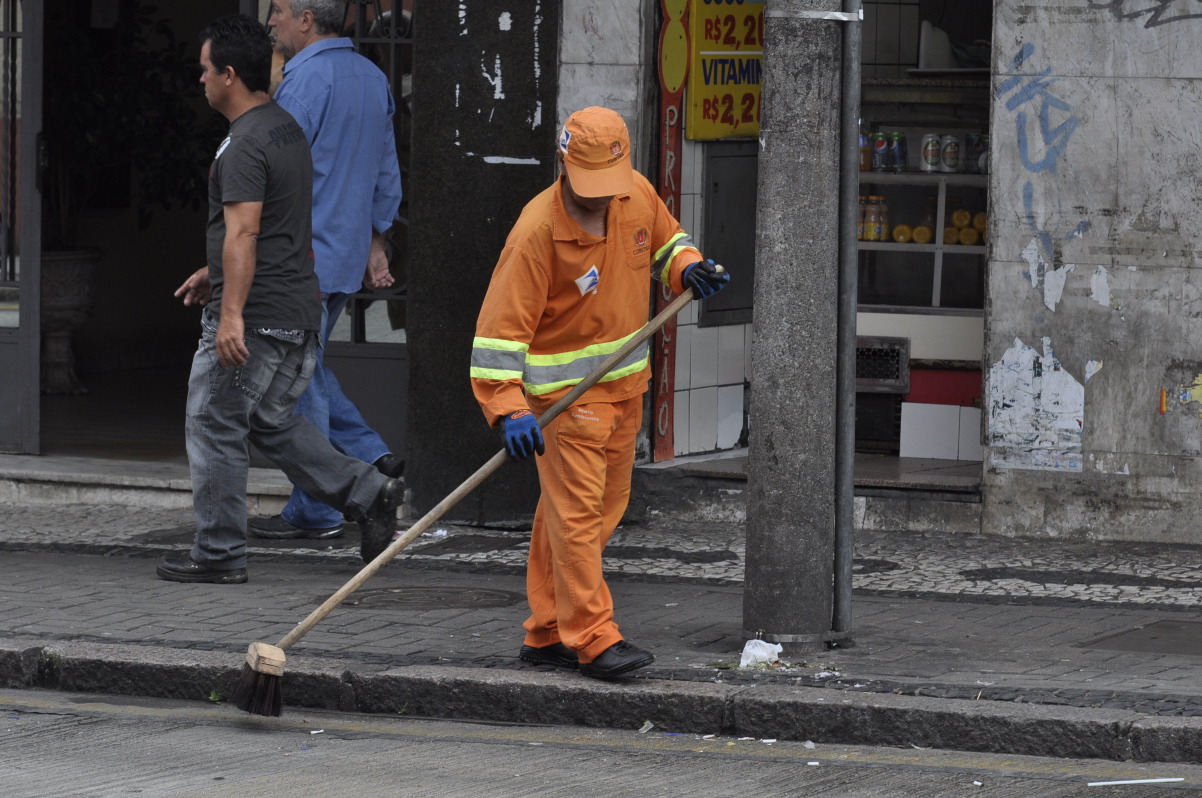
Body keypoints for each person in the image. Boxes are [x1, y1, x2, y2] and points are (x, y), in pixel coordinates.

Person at [469, 107, 730, 679]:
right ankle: (591, 636)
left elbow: (666, 243)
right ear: (563, 166)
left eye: (608, 187)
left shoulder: (632, 192)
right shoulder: (536, 233)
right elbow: (498, 334)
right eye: (590, 189)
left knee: (581, 514)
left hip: (623, 389)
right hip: (564, 404)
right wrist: (508, 407)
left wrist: (687, 268)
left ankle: (544, 632)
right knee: (579, 518)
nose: (601, 201)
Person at [157, 14, 402, 584]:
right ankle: (366, 488)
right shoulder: (284, 128)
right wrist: (214, 271)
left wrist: (231, 314)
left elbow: (244, 233)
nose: (200, 81)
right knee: (270, 422)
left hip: (260, 316)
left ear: (230, 75)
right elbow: (272, 224)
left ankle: (217, 552)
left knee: (213, 422)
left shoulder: (242, 146)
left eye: (204, 70)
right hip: (297, 309)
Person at [245, 0, 405, 542]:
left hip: (299, 257)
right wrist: (376, 240)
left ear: (307, 19)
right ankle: (370, 456)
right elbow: (387, 166)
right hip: (340, 252)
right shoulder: (370, 76)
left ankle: (318, 505)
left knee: (294, 379)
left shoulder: (305, 82)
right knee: (307, 368)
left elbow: (274, 173)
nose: (271, 22)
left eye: (280, 12)